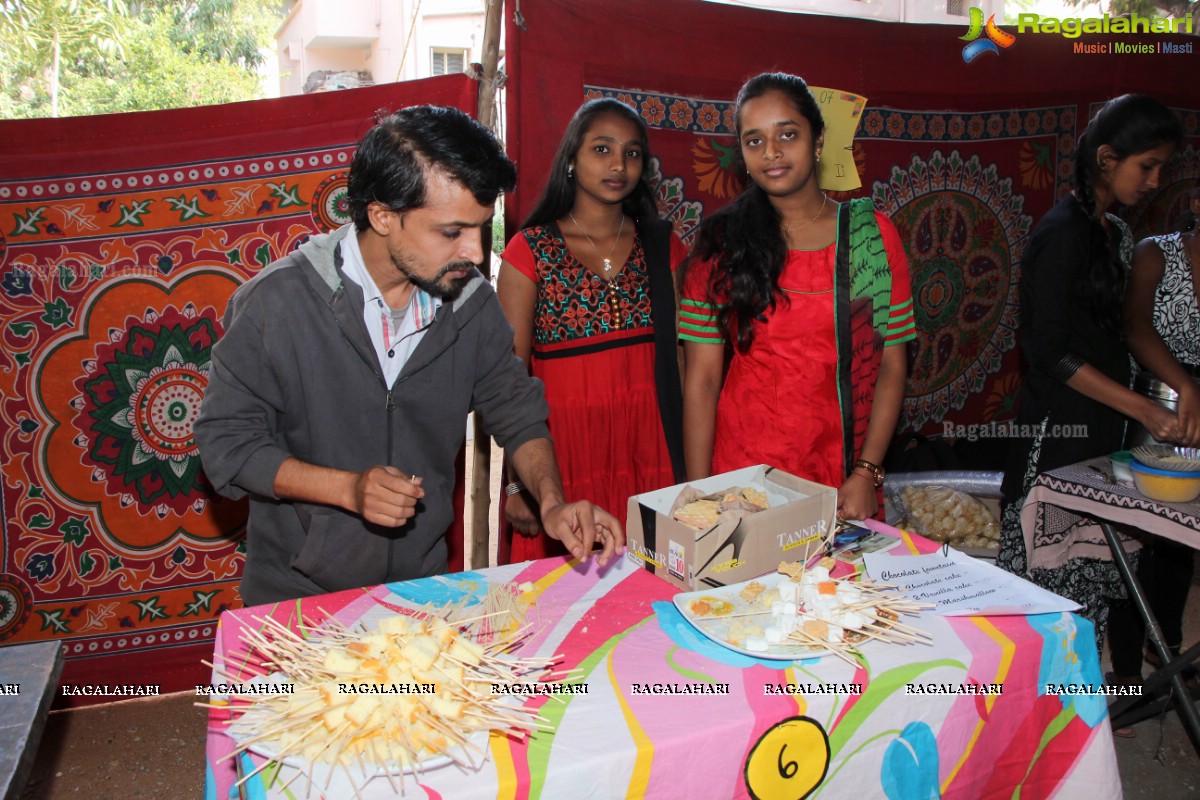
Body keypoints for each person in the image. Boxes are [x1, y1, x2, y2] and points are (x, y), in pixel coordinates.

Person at [195, 105, 623, 605]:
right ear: (381, 216)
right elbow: (226, 447)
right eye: (451, 232)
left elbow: (519, 415)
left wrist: (552, 503)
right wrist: (347, 490)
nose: (474, 253)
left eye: (481, 228)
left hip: (420, 591)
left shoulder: (471, 306)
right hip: (296, 597)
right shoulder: (277, 304)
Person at [679, 72, 914, 522]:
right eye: (754, 141)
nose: (771, 152)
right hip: (741, 480)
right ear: (743, 156)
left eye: (788, 134)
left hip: (840, 475)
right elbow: (703, 381)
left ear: (819, 139)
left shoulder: (869, 238)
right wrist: (700, 494)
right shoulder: (721, 245)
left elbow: (891, 365)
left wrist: (866, 473)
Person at [995, 94, 1183, 656]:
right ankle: (1031, 718)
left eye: (1161, 169)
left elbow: (1123, 330)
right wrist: (1141, 406)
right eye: (1145, 166)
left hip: (1100, 430)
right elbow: (1049, 350)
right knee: (1046, 595)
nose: (1154, 180)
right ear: (1107, 158)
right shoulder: (1061, 234)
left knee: (1091, 586)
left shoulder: (1112, 232)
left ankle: (1077, 716)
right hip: (1058, 435)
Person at [495, 98, 687, 562]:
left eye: (633, 152)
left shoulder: (663, 247)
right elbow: (508, 381)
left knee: (653, 591)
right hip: (562, 456)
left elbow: (682, 362)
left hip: (651, 448)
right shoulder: (529, 251)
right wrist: (519, 484)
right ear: (571, 159)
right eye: (602, 149)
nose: (619, 164)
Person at [1106, 195, 1200, 685]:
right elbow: (1137, 326)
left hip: (1196, 414)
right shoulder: (1157, 253)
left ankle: (1167, 656)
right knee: (1137, 534)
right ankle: (1123, 674)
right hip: (1151, 405)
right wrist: (1185, 386)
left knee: (1181, 541)